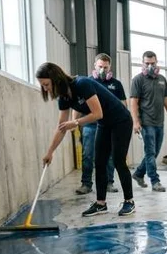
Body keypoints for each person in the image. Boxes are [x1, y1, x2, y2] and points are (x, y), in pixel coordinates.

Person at [36, 62, 136, 217]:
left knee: (118, 160)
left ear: (55, 79)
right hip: (104, 124)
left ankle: (129, 201)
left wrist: (76, 122)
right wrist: (50, 152)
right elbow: (61, 127)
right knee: (100, 162)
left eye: (46, 84)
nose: (45, 89)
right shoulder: (63, 98)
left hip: (121, 120)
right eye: (42, 85)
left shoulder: (82, 84)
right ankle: (100, 203)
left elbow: (97, 113)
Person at [74, 53, 127, 195]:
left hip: (110, 125)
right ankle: (86, 184)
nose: (102, 69)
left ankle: (109, 182)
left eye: (105, 67)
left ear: (110, 67)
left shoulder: (116, 84)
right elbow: (78, 105)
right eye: (100, 66)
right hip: (90, 124)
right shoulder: (86, 82)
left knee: (109, 155)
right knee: (88, 154)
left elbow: (123, 105)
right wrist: (75, 124)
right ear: (94, 66)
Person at [130, 51, 167, 193]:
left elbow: (166, 100)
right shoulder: (138, 80)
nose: (150, 66)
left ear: (157, 63)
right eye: (147, 63)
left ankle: (138, 174)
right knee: (150, 152)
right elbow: (134, 102)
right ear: (142, 64)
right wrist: (136, 121)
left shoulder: (161, 79)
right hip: (146, 123)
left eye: (153, 63)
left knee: (154, 153)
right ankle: (155, 181)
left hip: (159, 122)